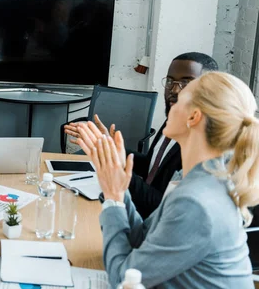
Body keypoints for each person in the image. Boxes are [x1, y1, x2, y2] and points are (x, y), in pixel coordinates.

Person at [75, 71, 257, 288]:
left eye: (180, 99)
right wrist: (119, 188)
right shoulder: (202, 181)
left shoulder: (196, 202)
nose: (172, 101)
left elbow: (124, 278)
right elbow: (141, 240)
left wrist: (114, 198)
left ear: (193, 117)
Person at [65, 52, 218, 218]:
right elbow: (152, 167)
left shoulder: (203, 146)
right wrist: (111, 146)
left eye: (186, 82)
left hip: (150, 223)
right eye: (170, 81)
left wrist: (117, 167)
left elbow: (160, 206)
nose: (174, 89)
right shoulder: (173, 119)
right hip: (133, 207)